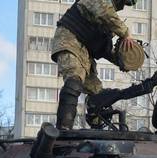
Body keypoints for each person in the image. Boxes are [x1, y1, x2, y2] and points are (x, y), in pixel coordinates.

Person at [51, 0, 145, 130]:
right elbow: (104, 11)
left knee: (97, 95)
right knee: (74, 80)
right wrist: (125, 34)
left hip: (84, 52)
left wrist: (122, 61)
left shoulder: (104, 22)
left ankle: (97, 127)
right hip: (69, 40)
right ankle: (63, 128)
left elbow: (103, 49)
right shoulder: (101, 6)